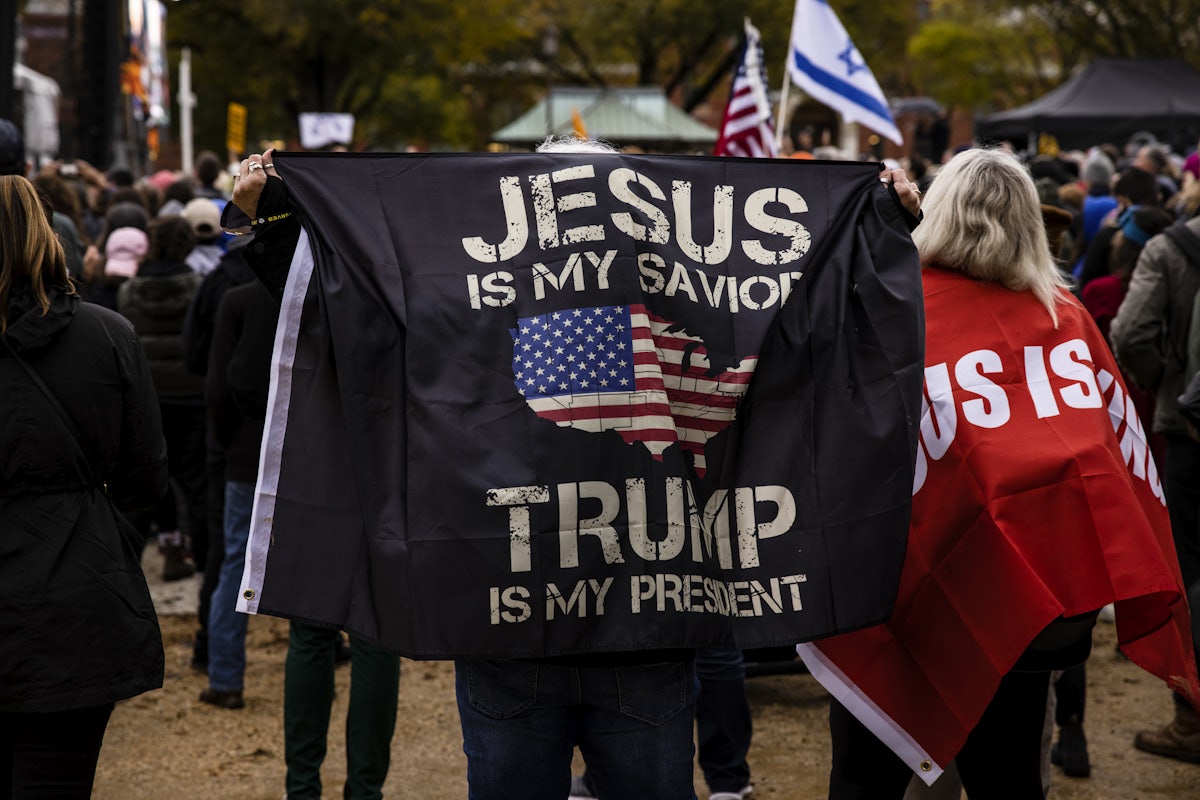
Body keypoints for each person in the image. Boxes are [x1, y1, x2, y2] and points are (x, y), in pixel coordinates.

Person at [229, 141, 924, 800]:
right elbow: (810, 329)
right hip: (621, 626)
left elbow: (362, 323)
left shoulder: (459, 298)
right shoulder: (687, 296)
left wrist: (278, 221)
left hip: (529, 621)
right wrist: (882, 224)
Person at [805, 147, 1200, 799]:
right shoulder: (1063, 316)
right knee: (1008, 778)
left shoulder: (883, 304)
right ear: (1029, 225)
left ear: (938, 213)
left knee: (865, 779)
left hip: (902, 599)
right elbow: (1113, 452)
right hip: (1026, 608)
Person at [0, 174, 168, 796]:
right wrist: (98, 532)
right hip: (78, 605)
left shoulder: (108, 332)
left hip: (72, 596)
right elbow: (145, 476)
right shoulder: (109, 335)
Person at [1110, 191, 1200, 765]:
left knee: (1192, 573)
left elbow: (1131, 333)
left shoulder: (1171, 248)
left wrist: (1167, 382)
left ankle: (1192, 720)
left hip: (1191, 429)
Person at [116, 216, 207, 582]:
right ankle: (204, 556)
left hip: (148, 397)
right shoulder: (198, 287)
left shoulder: (129, 292)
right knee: (197, 482)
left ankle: (134, 562)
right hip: (192, 394)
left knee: (151, 478)